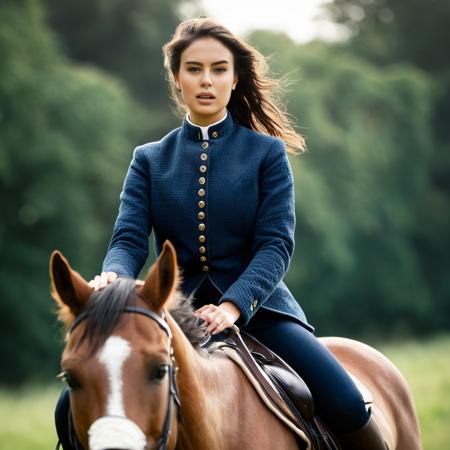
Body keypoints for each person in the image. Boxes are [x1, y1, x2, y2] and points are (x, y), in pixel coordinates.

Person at [55, 17, 387, 450]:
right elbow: (129, 239)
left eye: (218, 69)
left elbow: (276, 244)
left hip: (261, 310)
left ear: (234, 78)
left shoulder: (266, 153)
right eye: (194, 69)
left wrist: (233, 306)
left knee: (345, 402)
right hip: (174, 312)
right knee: (67, 407)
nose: (206, 80)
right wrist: (115, 279)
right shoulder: (149, 159)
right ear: (177, 79)